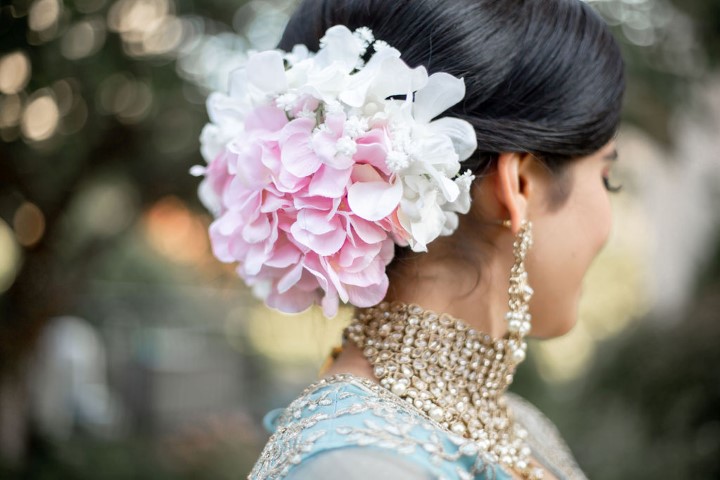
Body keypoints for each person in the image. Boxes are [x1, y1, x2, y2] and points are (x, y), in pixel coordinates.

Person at [193, 0, 625, 478]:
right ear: (519, 185)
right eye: (608, 176)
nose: (610, 214)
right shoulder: (360, 465)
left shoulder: (517, 426)